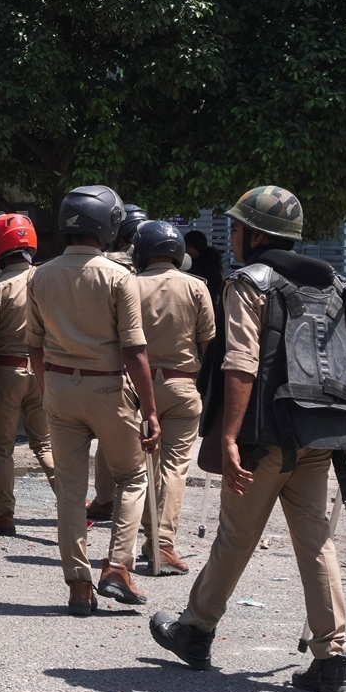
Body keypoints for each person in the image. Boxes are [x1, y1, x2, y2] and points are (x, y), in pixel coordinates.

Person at [151, 186, 346, 692]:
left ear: (256, 235)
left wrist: (229, 436)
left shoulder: (249, 283)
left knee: (235, 536)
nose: (231, 237)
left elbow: (241, 363)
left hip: (264, 440)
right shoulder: (334, 284)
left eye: (236, 228)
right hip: (320, 436)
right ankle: (332, 661)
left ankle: (195, 631)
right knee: (316, 542)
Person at [27, 185, 160, 616]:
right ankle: (118, 566)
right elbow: (134, 350)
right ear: (108, 225)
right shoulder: (119, 277)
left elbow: (34, 346)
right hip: (108, 388)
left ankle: (79, 587)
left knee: (70, 491)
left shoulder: (39, 275)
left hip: (59, 389)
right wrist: (151, 410)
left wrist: (50, 390)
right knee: (132, 477)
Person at [131, 221, 215, 575]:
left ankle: (141, 537)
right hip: (183, 386)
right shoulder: (197, 287)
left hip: (135, 387)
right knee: (174, 467)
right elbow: (208, 345)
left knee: (139, 467)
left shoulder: (129, 285)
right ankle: (162, 543)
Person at [0, 212, 58, 536]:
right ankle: (73, 503)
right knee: (45, 444)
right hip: (43, 371)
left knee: (2, 448)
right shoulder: (47, 282)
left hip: (8, 372)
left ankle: (4, 514)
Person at [88, 202, 151, 520]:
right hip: (152, 360)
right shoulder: (156, 265)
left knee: (108, 437)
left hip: (116, 363)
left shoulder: (106, 265)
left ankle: (105, 499)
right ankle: (149, 509)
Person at [183, 230, 223, 306]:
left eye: (188, 246)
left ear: (194, 246)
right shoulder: (212, 263)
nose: (186, 250)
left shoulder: (201, 266)